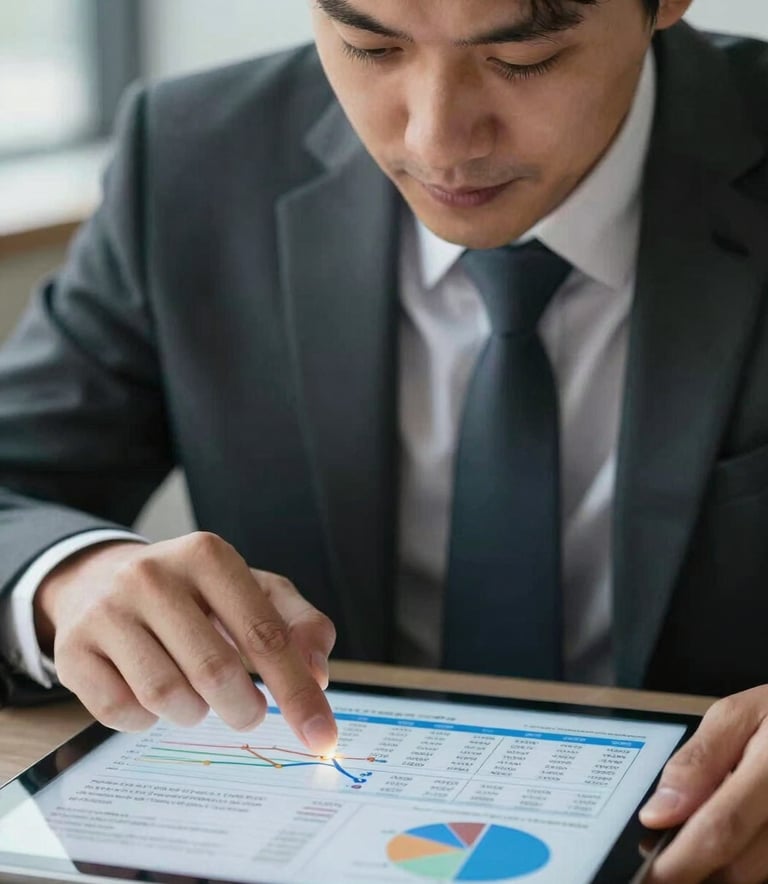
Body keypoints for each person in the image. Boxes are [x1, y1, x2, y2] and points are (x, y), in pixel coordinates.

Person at [0, 0, 767, 878]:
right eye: (370, 46)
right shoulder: (192, 154)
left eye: (525, 59)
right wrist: (67, 573)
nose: (440, 140)